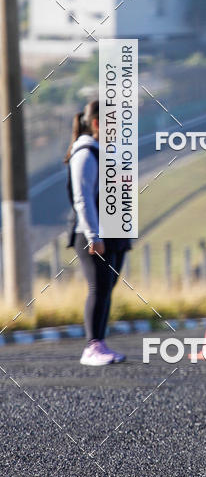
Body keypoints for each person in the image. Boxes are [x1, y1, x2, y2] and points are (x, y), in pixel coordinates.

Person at [65, 99, 129, 366]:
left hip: (112, 232)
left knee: (107, 289)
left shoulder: (104, 151)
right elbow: (82, 199)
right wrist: (94, 236)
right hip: (93, 234)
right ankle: (92, 346)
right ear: (96, 123)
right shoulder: (85, 153)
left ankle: (100, 343)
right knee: (98, 288)